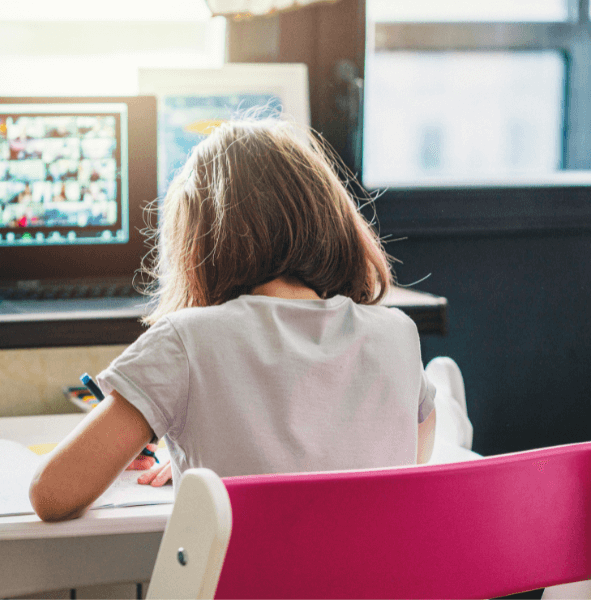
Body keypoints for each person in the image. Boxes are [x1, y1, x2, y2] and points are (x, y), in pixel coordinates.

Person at [29, 118, 448, 522]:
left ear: (198, 242)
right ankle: (445, 391)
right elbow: (409, 453)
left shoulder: (186, 341)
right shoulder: (396, 332)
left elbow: (50, 495)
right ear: (330, 217)